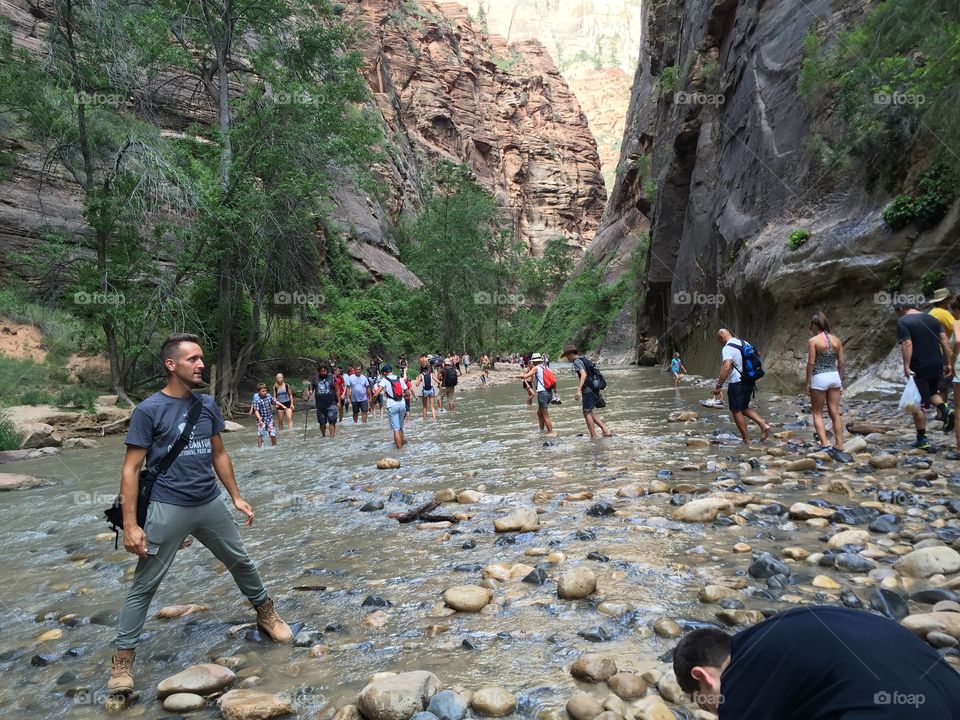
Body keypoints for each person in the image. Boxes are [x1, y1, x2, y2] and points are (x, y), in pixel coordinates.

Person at [107, 333, 291, 696]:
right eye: (192, 359)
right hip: (166, 507)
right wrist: (131, 525)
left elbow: (218, 453)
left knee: (241, 560)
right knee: (145, 585)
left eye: (202, 359)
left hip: (209, 503)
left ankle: (266, 612)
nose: (201, 364)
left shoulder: (206, 405)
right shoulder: (149, 410)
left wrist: (236, 496)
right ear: (171, 365)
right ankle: (122, 662)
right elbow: (130, 470)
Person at [672, 605, 960, 718]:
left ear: (702, 676)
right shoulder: (781, 628)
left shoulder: (739, 690)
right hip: (948, 692)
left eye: (705, 701)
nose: (714, 709)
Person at [896, 301, 954, 450]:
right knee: (933, 392)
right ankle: (946, 409)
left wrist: (906, 366)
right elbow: (945, 341)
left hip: (919, 365)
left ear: (901, 308)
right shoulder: (932, 319)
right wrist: (948, 363)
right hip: (936, 362)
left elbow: (907, 344)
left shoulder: (903, 321)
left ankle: (922, 439)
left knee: (917, 402)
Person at [711, 328, 770, 445]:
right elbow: (757, 355)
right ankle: (763, 425)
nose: (720, 343)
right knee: (743, 407)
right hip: (749, 380)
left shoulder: (727, 348)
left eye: (719, 340)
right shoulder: (744, 342)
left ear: (722, 337)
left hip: (737, 382)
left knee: (736, 410)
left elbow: (727, 366)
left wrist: (718, 386)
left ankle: (746, 440)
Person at [805, 312, 846, 453]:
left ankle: (825, 444)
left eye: (811, 326)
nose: (810, 328)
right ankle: (839, 445)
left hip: (820, 377)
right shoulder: (837, 341)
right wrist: (840, 380)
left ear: (815, 325)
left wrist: (807, 382)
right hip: (834, 376)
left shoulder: (813, 341)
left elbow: (811, 363)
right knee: (835, 412)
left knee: (817, 412)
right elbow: (841, 362)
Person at [560, 343, 611, 439]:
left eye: (567, 356)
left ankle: (593, 436)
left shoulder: (576, 362)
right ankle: (605, 430)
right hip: (594, 387)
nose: (567, 358)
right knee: (589, 411)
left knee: (586, 412)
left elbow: (583, 375)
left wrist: (578, 390)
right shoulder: (583, 358)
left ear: (571, 353)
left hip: (588, 389)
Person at [372, 365, 409, 449]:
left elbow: (376, 394)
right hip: (402, 403)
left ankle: (399, 451)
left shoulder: (384, 380)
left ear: (385, 373)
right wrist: (401, 396)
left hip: (392, 405)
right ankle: (403, 446)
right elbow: (408, 393)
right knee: (400, 427)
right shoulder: (399, 379)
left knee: (395, 429)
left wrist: (371, 403)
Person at [517, 352, 554, 434]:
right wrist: (555, 391)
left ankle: (551, 432)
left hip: (542, 393)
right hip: (549, 392)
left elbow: (525, 376)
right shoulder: (546, 367)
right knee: (539, 413)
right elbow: (553, 379)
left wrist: (516, 376)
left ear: (533, 361)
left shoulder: (536, 368)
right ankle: (541, 431)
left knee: (545, 415)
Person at [307, 364, 338, 438]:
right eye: (321, 371)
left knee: (332, 420)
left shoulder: (332, 377)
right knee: (322, 422)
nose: (323, 373)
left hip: (331, 403)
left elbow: (337, 390)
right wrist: (310, 391)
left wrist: (339, 401)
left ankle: (332, 437)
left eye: (324, 371)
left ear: (327, 370)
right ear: (319, 372)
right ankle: (323, 436)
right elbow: (311, 388)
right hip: (320, 405)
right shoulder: (315, 378)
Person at [252, 383, 280, 448]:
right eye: (263, 391)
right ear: (259, 392)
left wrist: (283, 406)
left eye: (266, 390)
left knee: (273, 433)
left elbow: (274, 402)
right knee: (260, 434)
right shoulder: (257, 399)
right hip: (262, 419)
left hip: (269, 418)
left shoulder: (269, 396)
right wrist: (259, 418)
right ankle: (259, 448)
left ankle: (275, 446)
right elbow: (256, 410)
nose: (265, 392)